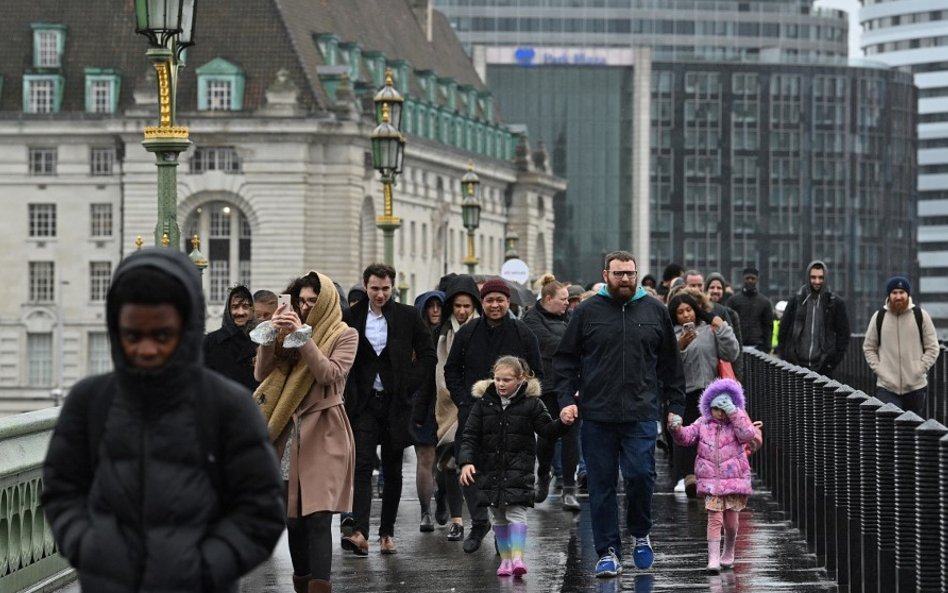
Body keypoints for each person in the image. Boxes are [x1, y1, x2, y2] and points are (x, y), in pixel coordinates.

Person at [42, 248, 284, 593]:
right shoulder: (89, 401)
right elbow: (61, 491)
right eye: (133, 335)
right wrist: (91, 550)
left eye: (161, 336)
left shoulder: (228, 406)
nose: (146, 349)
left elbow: (261, 506)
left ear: (185, 330)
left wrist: (208, 565)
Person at [555, 251, 686, 578]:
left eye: (630, 273)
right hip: (597, 414)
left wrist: (676, 408)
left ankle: (640, 533)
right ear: (606, 274)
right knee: (600, 485)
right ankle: (608, 551)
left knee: (641, 476)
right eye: (618, 274)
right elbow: (565, 361)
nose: (625, 279)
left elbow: (671, 365)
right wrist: (564, 400)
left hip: (641, 412)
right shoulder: (586, 312)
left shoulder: (655, 311)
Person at [250, 271, 356, 593]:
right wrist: (272, 335)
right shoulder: (285, 334)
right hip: (288, 432)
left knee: (320, 515)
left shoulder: (345, 334)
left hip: (325, 429)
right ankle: (302, 585)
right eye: (302, 301)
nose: (306, 307)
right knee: (293, 517)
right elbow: (260, 373)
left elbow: (329, 374)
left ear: (326, 302)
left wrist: (304, 339)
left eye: (313, 301)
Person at [341, 263, 437, 555]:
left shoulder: (408, 316)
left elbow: (428, 354)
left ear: (392, 287)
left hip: (397, 403)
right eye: (374, 288)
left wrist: (409, 384)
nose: (380, 294)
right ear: (365, 286)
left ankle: (386, 534)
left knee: (393, 469)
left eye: (385, 289)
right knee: (362, 465)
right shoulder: (351, 317)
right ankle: (359, 532)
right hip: (364, 403)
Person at [444, 277, 543, 553]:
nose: (495, 305)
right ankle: (478, 520)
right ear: (482, 303)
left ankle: (504, 535)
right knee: (469, 463)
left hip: (514, 415)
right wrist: (463, 400)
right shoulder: (468, 332)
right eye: (489, 300)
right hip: (474, 411)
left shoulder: (523, 333)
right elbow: (452, 369)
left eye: (500, 300)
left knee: (506, 470)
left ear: (507, 301)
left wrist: (523, 402)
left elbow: (537, 371)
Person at [458, 356, 573, 577]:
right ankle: (506, 560)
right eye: (497, 379)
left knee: (516, 513)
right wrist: (466, 462)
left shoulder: (532, 404)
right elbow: (470, 436)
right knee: (498, 517)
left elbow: (547, 430)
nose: (500, 384)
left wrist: (563, 423)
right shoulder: (483, 404)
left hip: (519, 470)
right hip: (490, 472)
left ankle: (518, 557)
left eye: (507, 380)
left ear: (521, 379)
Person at [412, 275, 481, 542]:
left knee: (469, 464)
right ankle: (456, 520)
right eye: (458, 306)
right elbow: (432, 375)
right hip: (445, 406)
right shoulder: (442, 335)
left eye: (467, 306)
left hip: (477, 406)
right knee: (450, 464)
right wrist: (419, 412)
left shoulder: (483, 329)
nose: (462, 312)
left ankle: (477, 519)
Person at [668, 378, 761, 573]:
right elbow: (686, 437)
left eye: (724, 408)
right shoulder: (703, 423)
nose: (720, 413)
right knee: (714, 519)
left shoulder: (736, 422)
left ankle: (728, 551)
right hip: (711, 482)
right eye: (716, 408)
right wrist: (676, 430)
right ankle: (713, 558)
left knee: (731, 523)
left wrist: (735, 413)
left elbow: (748, 434)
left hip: (734, 481)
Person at [667, 289, 740, 497]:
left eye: (689, 309)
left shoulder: (709, 330)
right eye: (680, 312)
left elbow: (731, 352)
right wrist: (680, 346)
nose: (686, 315)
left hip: (710, 392)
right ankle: (687, 475)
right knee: (685, 434)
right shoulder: (672, 334)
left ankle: (710, 477)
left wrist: (720, 326)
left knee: (711, 438)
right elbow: (668, 365)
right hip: (685, 391)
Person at [523, 274, 580, 511]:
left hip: (571, 386)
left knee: (570, 436)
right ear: (548, 298)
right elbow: (550, 344)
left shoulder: (570, 319)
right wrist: (574, 344)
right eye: (563, 299)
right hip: (545, 386)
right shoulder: (531, 319)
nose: (567, 303)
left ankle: (569, 488)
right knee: (547, 437)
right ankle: (544, 473)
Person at [862, 276, 941, 416]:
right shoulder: (879, 317)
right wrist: (880, 369)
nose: (898, 296)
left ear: (907, 294)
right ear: (889, 295)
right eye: (894, 293)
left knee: (912, 432)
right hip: (886, 387)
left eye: (901, 292)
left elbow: (933, 347)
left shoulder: (920, 316)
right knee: (889, 428)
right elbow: (869, 347)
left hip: (916, 387)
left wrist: (920, 368)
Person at [776, 261, 851, 375]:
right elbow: (783, 330)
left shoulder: (835, 303)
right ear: (808, 278)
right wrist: (786, 357)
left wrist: (832, 362)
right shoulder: (796, 300)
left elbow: (844, 334)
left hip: (823, 368)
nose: (817, 281)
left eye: (821, 277)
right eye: (813, 277)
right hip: (796, 366)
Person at [412, 289, 446, 532]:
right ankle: (425, 511)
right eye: (430, 306)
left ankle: (442, 498)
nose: (435, 310)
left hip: (445, 404)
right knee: (425, 458)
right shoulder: (413, 337)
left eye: (439, 306)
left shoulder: (451, 335)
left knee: (446, 461)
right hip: (420, 404)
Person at [204, 285, 259, 392]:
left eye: (245, 306)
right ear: (228, 311)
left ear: (252, 311)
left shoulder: (261, 342)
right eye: (235, 307)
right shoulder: (210, 342)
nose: (240, 312)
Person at [727, 267, 774, 353]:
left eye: (753, 278)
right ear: (743, 279)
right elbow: (728, 322)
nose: (750, 281)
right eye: (747, 278)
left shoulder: (765, 302)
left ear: (757, 280)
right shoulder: (733, 300)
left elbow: (768, 326)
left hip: (758, 348)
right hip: (737, 346)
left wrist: (767, 347)